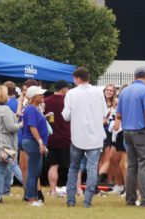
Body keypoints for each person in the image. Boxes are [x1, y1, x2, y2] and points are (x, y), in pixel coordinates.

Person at [62, 66, 108, 208]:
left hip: (78, 135)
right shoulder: (99, 93)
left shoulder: (71, 93)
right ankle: (87, 201)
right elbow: (104, 112)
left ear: (78, 79)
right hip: (95, 136)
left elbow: (66, 116)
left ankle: (71, 200)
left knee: (74, 168)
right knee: (92, 168)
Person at [116, 67, 145, 208]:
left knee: (132, 166)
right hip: (142, 131)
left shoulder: (124, 91)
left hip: (127, 131)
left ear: (134, 76)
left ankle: (130, 199)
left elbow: (118, 115)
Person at [19, 84, 50, 206]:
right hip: (32, 142)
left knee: (36, 172)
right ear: (34, 97)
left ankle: (34, 198)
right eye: (40, 94)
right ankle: (31, 199)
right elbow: (32, 126)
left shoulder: (33, 108)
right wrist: (40, 142)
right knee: (33, 172)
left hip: (33, 142)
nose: (42, 95)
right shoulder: (31, 109)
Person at [43, 80, 71, 199]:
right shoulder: (67, 101)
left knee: (53, 165)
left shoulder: (45, 101)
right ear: (64, 88)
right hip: (66, 137)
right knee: (72, 166)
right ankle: (75, 189)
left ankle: (53, 190)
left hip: (51, 137)